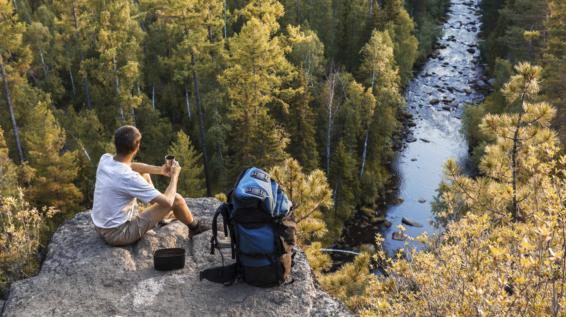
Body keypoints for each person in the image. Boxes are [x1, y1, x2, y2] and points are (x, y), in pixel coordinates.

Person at [91, 125, 209, 246]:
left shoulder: (105, 159)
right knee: (176, 200)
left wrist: (160, 170)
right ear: (137, 147)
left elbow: (130, 166)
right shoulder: (128, 177)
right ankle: (195, 228)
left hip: (100, 226)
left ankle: (163, 216)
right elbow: (168, 201)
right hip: (119, 234)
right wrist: (174, 176)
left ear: (116, 144)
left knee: (145, 175)